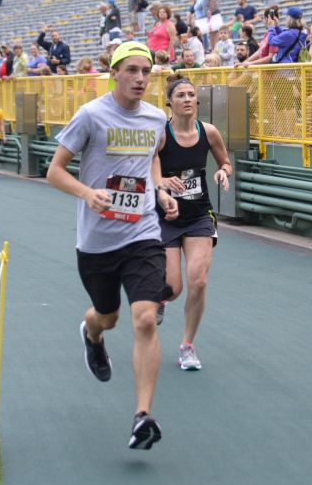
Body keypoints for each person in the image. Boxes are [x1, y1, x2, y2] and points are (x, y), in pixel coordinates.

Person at [46, 41, 179, 450]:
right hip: (97, 241)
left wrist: (159, 189)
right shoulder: (91, 115)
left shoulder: (157, 118)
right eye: (133, 70)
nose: (141, 78)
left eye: (147, 72)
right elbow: (54, 170)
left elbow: (152, 156)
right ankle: (91, 333)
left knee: (144, 318)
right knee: (109, 315)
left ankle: (143, 416)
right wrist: (87, 193)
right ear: (115, 73)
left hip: (142, 232)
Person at [154, 76, 233, 370]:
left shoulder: (209, 132)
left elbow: (226, 162)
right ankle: (161, 298)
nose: (187, 99)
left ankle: (187, 345)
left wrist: (223, 172)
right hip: (166, 216)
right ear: (170, 103)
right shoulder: (161, 135)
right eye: (181, 95)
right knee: (173, 287)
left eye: (191, 95)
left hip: (199, 214)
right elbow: (145, 170)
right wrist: (161, 182)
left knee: (198, 280)